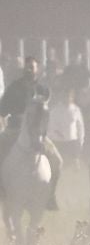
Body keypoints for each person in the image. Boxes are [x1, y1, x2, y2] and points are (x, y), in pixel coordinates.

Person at [0, 56, 63, 209]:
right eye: (27, 67)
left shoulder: (43, 90)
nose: (30, 70)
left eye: (32, 67)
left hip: (37, 134)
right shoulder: (14, 88)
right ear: (24, 69)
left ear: (37, 69)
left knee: (58, 161)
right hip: (14, 130)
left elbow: (46, 113)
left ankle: (50, 195)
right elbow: (2, 109)